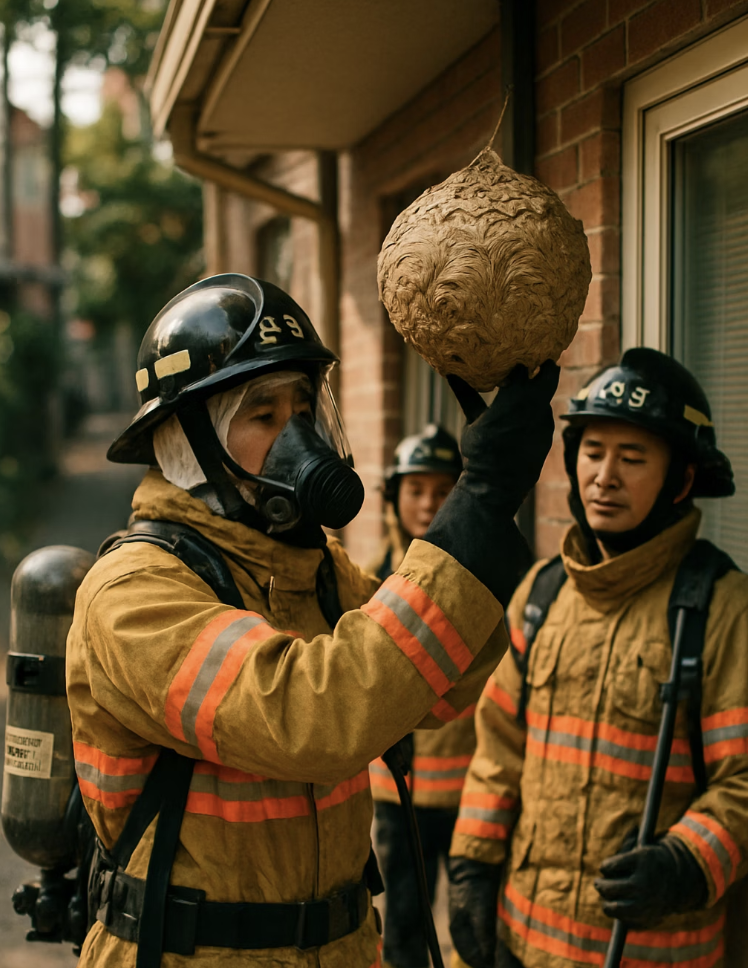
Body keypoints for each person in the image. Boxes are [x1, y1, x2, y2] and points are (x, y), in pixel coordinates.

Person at [65, 273, 559, 968]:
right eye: (263, 415)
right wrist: (472, 511)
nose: (298, 438)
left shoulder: (312, 570)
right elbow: (314, 718)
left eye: (303, 409)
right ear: (187, 441)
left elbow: (434, 686)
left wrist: (485, 524)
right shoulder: (134, 595)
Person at [447, 347, 748, 968]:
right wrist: (472, 867)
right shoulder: (542, 592)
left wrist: (688, 860)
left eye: (633, 458)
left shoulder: (723, 609)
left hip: (654, 954)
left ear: (682, 480)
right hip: (524, 942)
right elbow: (499, 752)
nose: (604, 477)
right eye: (592, 452)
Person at [369, 425, 466, 968]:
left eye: (443, 489)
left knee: (475, 931)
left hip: (471, 789)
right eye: (417, 489)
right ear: (395, 497)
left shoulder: (482, 579)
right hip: (397, 793)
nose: (430, 502)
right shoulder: (370, 583)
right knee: (404, 926)